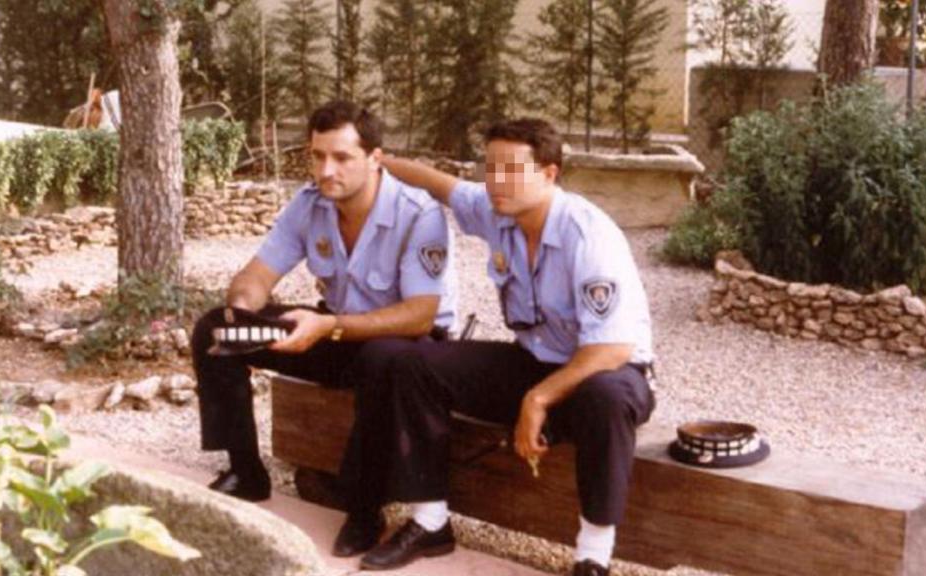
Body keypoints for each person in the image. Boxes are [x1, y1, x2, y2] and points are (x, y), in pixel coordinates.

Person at [355, 119, 655, 575]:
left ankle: (593, 555)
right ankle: (430, 521)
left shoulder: (589, 234)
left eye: (512, 170)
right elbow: (440, 184)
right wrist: (371, 161)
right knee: (414, 362)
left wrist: (537, 399)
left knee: (606, 398)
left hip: (605, 371)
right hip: (536, 361)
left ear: (549, 174)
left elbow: (612, 348)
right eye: (490, 168)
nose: (496, 182)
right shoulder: (498, 208)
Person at [190, 100, 456, 557]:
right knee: (216, 328)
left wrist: (330, 326)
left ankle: (363, 511)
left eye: (342, 157)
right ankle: (247, 471)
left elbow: (420, 315)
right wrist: (243, 314)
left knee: (382, 357)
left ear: (375, 159)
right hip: (331, 334)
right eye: (317, 156)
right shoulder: (311, 203)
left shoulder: (419, 213)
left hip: (405, 349)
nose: (326, 170)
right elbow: (257, 275)